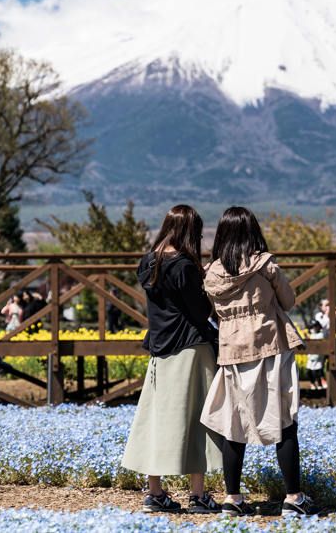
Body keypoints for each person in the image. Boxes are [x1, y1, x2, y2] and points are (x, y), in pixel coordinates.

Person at [201, 206, 321, 517]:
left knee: (234, 424)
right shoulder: (265, 265)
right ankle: (293, 498)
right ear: (253, 231)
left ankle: (233, 499)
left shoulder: (211, 273)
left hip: (232, 353)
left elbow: (212, 313)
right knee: (284, 421)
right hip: (271, 348)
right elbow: (289, 301)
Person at [120, 205, 222, 514]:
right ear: (189, 232)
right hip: (191, 348)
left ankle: (155, 493)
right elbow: (199, 311)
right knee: (198, 421)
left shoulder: (148, 262)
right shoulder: (184, 265)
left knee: (157, 420)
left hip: (160, 350)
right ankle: (199, 495)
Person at [306, 320, 327, 389]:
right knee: (308, 372)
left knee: (316, 372)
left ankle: (320, 385)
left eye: (313, 326)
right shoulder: (312, 334)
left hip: (317, 357)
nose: (312, 328)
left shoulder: (321, 335)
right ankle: (313, 384)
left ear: (318, 326)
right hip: (311, 356)